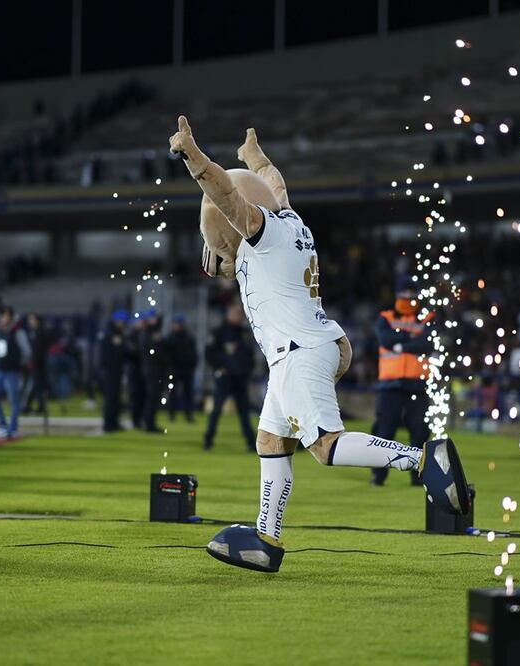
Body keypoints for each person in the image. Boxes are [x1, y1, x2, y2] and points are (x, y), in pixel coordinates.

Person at [169, 116, 470, 573]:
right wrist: (257, 159)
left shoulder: (260, 232)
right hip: (309, 345)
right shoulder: (290, 222)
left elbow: (228, 197)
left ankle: (424, 460)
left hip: (298, 352)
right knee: (270, 440)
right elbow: (273, 186)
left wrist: (193, 155)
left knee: (326, 447)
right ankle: (264, 539)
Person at [370, 276, 432, 487]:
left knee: (420, 431)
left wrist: (399, 344)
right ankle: (378, 476)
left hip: (418, 385)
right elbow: (385, 340)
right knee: (384, 432)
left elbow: (427, 344)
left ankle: (418, 477)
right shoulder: (385, 317)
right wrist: (411, 340)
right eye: (404, 292)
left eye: (411, 293)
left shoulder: (427, 318)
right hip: (390, 386)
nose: (407, 297)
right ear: (397, 294)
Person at [203, 303, 258, 451]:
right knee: (217, 409)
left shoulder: (244, 333)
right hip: (225, 378)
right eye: (235, 313)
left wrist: (248, 369)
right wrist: (219, 367)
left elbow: (249, 354)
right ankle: (208, 439)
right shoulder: (219, 332)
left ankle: (251, 443)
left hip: (240, 377)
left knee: (244, 412)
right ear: (228, 314)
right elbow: (209, 353)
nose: (238, 317)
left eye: (240, 314)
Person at [0, 305, 30, 438]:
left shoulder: (17, 332)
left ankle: (13, 429)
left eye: (4, 315)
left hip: (12, 372)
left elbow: (27, 352)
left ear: (10, 317)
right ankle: (3, 426)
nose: (1, 318)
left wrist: (18, 364)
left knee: (13, 401)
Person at [137, 310, 167, 433]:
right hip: (152, 369)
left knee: (154, 397)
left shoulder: (152, 332)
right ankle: (148, 423)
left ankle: (149, 422)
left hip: (154, 368)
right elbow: (153, 351)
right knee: (152, 396)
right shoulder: (148, 333)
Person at [99, 310, 129, 432]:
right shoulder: (111, 334)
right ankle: (108, 424)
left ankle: (114, 422)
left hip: (115, 369)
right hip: (110, 370)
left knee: (116, 397)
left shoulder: (116, 333)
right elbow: (112, 354)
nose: (123, 324)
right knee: (111, 397)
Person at [165, 314, 197, 423]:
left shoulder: (188, 337)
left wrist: (192, 366)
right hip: (174, 370)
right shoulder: (170, 338)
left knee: (187, 394)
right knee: (173, 393)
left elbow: (194, 354)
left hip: (186, 370)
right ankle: (171, 414)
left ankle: (188, 415)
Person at [22, 313, 49, 415]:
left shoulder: (39, 332)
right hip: (37, 363)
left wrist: (33, 362)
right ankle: (37, 406)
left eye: (32, 319)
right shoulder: (33, 332)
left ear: (37, 320)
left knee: (34, 385)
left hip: (38, 364)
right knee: (36, 386)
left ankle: (30, 406)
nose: (30, 321)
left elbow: (39, 350)